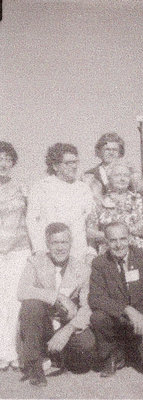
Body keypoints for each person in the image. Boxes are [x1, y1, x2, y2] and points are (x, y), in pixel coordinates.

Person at [89, 222, 143, 377]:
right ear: (106, 242)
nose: (119, 245)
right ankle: (112, 354)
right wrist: (127, 309)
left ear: (129, 239)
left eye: (123, 239)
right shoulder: (99, 263)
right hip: (118, 322)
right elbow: (95, 298)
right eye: (113, 240)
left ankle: (134, 350)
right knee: (98, 317)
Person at [18, 223, 95, 387]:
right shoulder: (35, 262)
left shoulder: (82, 269)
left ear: (71, 243)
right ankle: (35, 365)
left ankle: (58, 356)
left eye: (64, 242)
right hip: (43, 325)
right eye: (55, 243)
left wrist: (68, 330)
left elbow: (87, 307)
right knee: (30, 305)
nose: (60, 248)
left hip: (66, 324)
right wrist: (58, 297)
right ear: (47, 244)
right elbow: (22, 291)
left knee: (84, 354)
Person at [26, 143, 95, 262]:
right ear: (55, 166)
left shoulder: (84, 189)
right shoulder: (40, 187)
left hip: (78, 253)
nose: (74, 167)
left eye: (75, 162)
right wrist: (39, 250)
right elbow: (32, 221)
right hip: (49, 253)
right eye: (68, 163)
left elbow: (91, 222)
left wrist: (91, 251)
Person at [0, 142, 31, 372]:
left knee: (14, 300)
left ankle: (13, 353)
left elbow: (32, 216)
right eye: (0, 159)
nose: (3, 164)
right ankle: (2, 353)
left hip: (19, 249)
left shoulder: (22, 187)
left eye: (8, 159)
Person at [86, 160, 143, 252]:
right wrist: (113, 235)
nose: (122, 179)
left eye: (126, 175)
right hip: (108, 255)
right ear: (109, 178)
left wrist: (131, 230)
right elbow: (90, 232)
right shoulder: (100, 202)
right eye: (117, 175)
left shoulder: (138, 200)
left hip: (137, 252)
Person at [83, 132, 143, 202]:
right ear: (99, 151)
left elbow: (140, 190)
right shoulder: (91, 174)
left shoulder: (130, 171)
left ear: (120, 153)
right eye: (107, 149)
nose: (111, 153)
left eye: (114, 150)